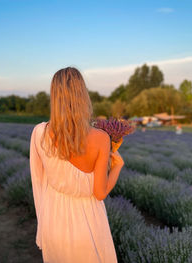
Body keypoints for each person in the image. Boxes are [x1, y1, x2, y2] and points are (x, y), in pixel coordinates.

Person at [29, 67, 123, 263]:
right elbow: (100, 193)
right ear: (83, 94)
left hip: (54, 222)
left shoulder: (39, 133)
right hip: (89, 224)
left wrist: (42, 227)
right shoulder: (101, 138)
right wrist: (117, 166)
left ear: (54, 96)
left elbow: (37, 181)